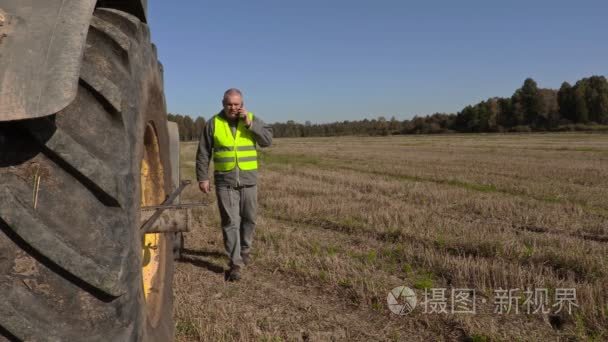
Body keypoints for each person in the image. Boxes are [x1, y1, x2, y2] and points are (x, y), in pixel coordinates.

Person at [195, 88, 273, 281]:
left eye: (237, 104)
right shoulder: (213, 123)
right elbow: (203, 153)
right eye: (229, 104)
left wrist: (250, 124)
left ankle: (245, 250)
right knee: (230, 222)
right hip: (225, 181)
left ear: (242, 104)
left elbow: (267, 141)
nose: (233, 107)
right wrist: (202, 178)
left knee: (249, 219)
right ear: (223, 103)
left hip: (248, 181)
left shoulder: (252, 119)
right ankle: (235, 263)